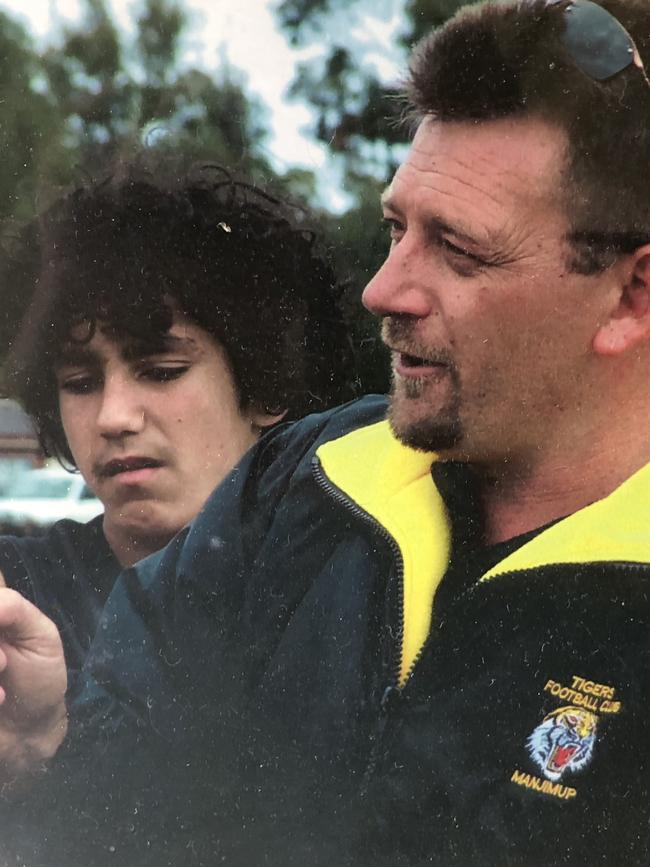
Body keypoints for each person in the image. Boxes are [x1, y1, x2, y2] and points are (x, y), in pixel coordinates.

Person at [4, 0, 650, 864]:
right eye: (396, 229)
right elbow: (129, 787)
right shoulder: (302, 482)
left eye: (458, 250)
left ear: (631, 295)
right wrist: (50, 741)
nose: (383, 290)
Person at [0, 155, 354, 773]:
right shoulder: (19, 591)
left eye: (161, 371)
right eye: (80, 382)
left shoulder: (348, 596)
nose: (113, 416)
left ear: (266, 387)